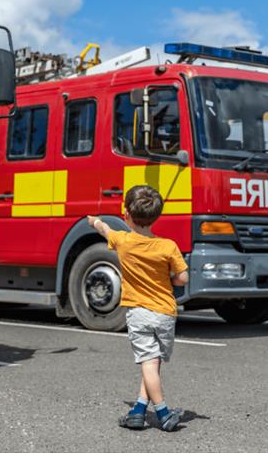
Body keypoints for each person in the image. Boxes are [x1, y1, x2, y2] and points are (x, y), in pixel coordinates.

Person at [87, 185, 189, 432]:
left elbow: (105, 229)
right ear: (157, 216)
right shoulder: (168, 246)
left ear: (126, 214)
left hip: (138, 313)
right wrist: (169, 280)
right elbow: (183, 278)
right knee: (153, 362)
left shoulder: (122, 241)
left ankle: (163, 413)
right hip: (165, 312)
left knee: (148, 362)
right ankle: (138, 411)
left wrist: (95, 221)